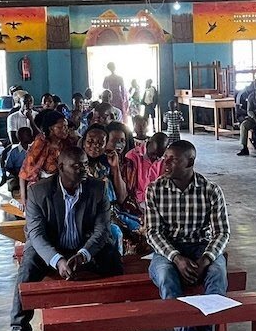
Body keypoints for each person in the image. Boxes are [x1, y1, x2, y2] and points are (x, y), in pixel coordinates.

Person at [9, 147, 122, 331]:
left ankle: (116, 320)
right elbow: (36, 234)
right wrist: (58, 260)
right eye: (76, 165)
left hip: (84, 245)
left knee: (112, 256)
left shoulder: (97, 189)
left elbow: (102, 230)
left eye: (85, 164)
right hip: (51, 247)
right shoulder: (38, 191)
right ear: (60, 167)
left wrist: (84, 254)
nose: (83, 170)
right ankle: (19, 328)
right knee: (28, 266)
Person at [144, 140, 230, 331]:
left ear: (190, 162)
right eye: (165, 158)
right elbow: (152, 232)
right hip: (168, 250)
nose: (166, 163)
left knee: (217, 274)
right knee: (165, 275)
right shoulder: (155, 190)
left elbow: (222, 232)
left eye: (173, 159)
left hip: (201, 248)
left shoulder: (211, 191)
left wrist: (205, 259)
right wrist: (177, 258)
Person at [81, 125, 143, 254]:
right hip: (92, 214)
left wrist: (115, 168)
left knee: (140, 228)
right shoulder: (78, 164)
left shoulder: (106, 163)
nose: (95, 146)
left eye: (100, 143)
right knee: (115, 232)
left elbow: (122, 197)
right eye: (90, 141)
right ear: (83, 142)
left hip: (114, 210)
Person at [19, 109, 74, 203]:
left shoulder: (67, 143)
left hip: (62, 188)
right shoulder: (41, 143)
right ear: (51, 129)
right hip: (41, 187)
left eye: (66, 127)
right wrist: (24, 200)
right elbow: (25, 171)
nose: (65, 130)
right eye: (61, 127)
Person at [125, 131, 168, 205]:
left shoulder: (164, 159)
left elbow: (162, 184)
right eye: (153, 154)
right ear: (148, 144)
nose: (155, 158)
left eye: (159, 156)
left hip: (155, 199)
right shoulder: (132, 156)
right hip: (136, 201)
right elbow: (129, 188)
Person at [4, 127, 34, 196]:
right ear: (20, 137)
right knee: (14, 185)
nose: (31, 137)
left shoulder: (33, 149)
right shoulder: (14, 151)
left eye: (30, 135)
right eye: (28, 135)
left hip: (31, 174)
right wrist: (18, 175)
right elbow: (8, 167)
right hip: (16, 174)